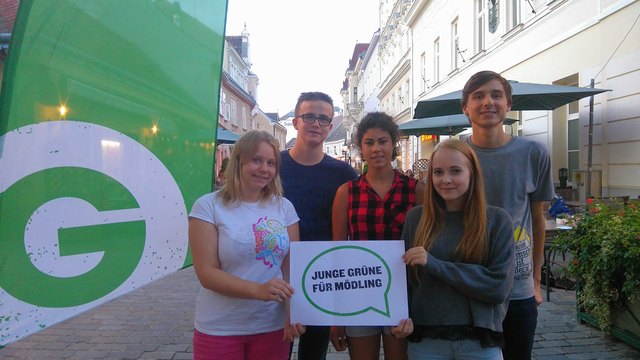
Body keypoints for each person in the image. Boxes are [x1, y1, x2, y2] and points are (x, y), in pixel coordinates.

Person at [461, 70, 554, 359]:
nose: (488, 101)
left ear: (509, 104)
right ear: (465, 108)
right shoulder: (455, 154)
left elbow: (537, 218)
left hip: (518, 287)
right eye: (478, 96)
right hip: (469, 283)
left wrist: (537, 280)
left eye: (496, 95)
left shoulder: (533, 152)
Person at [189, 130, 304, 360]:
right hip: (220, 326)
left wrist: (294, 312)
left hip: (271, 325)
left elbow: (293, 266)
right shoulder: (208, 206)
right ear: (239, 161)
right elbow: (207, 273)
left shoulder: (284, 207)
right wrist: (259, 291)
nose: (264, 169)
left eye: (271, 163)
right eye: (257, 160)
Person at [401, 139, 515, 359]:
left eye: (455, 171)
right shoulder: (416, 219)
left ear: (472, 174)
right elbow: (404, 282)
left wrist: (434, 264)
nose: (446, 180)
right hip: (426, 342)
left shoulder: (497, 220)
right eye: (438, 172)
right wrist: (398, 318)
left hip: (480, 342)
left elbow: (497, 287)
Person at [331, 111, 423, 360]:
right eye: (369, 142)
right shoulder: (346, 193)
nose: (376, 149)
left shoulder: (416, 190)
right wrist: (336, 317)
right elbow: (337, 254)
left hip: (402, 292)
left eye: (382, 141)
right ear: (360, 147)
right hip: (360, 290)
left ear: (393, 144)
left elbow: (426, 244)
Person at [280, 92, 358, 360]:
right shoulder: (274, 166)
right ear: (295, 122)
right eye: (309, 116)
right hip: (277, 272)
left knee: (314, 353)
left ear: (329, 125)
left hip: (321, 274)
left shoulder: (343, 174)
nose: (316, 123)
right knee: (275, 349)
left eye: (323, 118)